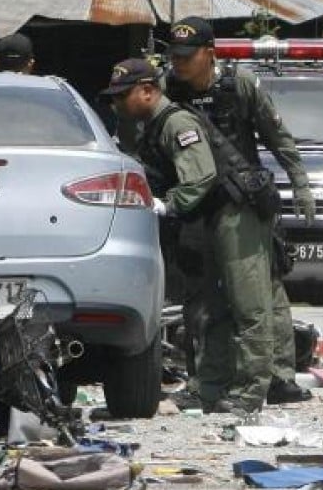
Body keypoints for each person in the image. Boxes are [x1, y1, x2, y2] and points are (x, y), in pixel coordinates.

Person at [104, 57, 277, 413]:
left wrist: (166, 205)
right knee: (212, 310)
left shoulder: (176, 123)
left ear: (148, 91)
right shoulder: (154, 125)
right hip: (210, 217)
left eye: (124, 95)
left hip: (235, 213)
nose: (117, 104)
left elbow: (199, 177)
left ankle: (250, 394)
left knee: (249, 305)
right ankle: (210, 389)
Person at [163, 15, 316, 408]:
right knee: (206, 298)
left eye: (187, 55)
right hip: (199, 207)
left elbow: (276, 136)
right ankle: (212, 381)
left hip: (241, 203)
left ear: (209, 54)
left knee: (259, 296)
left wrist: (300, 184)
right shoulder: (167, 88)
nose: (179, 62)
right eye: (174, 54)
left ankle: (268, 381)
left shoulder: (238, 85)